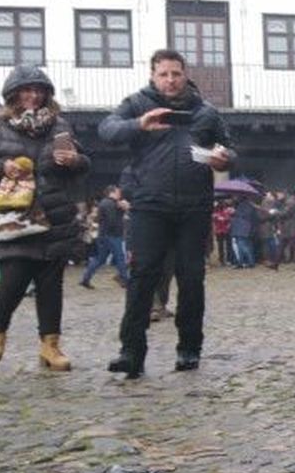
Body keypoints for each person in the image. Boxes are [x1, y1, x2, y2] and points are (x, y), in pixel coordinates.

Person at [98, 49, 233, 377]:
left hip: (194, 206)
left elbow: (230, 150)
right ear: (153, 76)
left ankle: (189, 349)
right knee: (142, 276)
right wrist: (138, 124)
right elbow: (106, 130)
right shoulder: (137, 103)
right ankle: (131, 350)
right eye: (164, 74)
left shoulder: (206, 113)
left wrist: (224, 158)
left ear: (185, 75)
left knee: (191, 279)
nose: (170, 80)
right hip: (149, 205)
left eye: (176, 73)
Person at [0, 66, 89, 371]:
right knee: (13, 280)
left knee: (50, 284)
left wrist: (75, 160)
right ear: (13, 94)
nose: (34, 96)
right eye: (27, 90)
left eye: (39, 91)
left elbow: (84, 162)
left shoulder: (59, 126)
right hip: (14, 215)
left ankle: (50, 345)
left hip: (54, 213)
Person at [80, 185, 130, 289]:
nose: (120, 193)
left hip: (104, 234)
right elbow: (112, 220)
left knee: (100, 258)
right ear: (112, 192)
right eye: (118, 191)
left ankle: (85, 278)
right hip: (112, 235)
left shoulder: (105, 203)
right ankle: (125, 279)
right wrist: (122, 211)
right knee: (120, 257)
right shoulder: (110, 204)